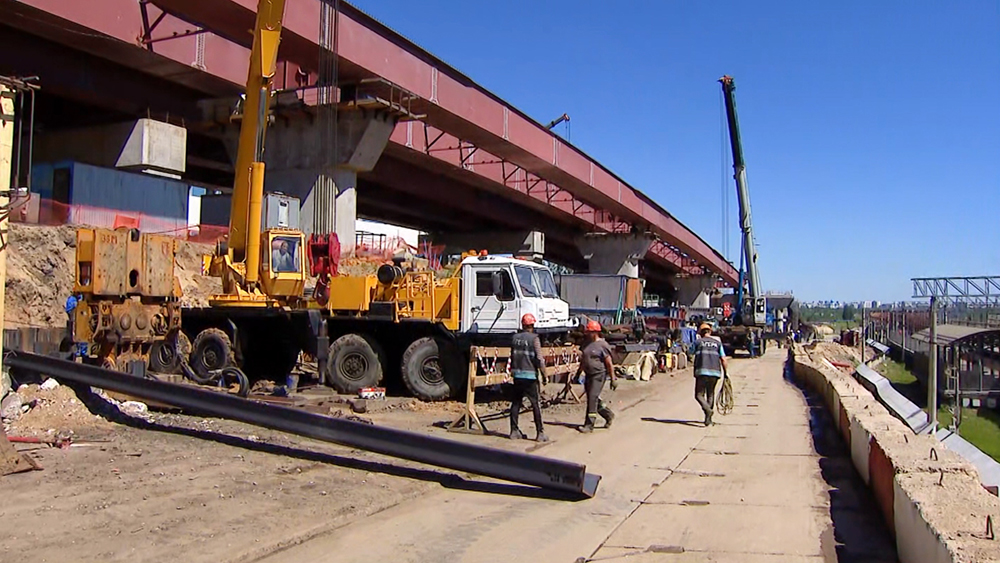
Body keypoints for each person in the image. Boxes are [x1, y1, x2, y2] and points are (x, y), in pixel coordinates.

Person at [508, 313, 548, 442]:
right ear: (532, 325)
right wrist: (544, 374)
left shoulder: (514, 338)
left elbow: (512, 355)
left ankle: (514, 431)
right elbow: (539, 358)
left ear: (522, 325)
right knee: (535, 404)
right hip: (530, 376)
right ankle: (540, 433)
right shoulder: (534, 339)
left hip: (517, 375)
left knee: (516, 403)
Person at [576, 320, 616, 433]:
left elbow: (609, 363)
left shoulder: (603, 345)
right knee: (593, 399)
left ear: (595, 332)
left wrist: (613, 378)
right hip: (588, 375)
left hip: (599, 375)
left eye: (589, 332)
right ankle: (608, 415)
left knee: (592, 397)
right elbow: (584, 360)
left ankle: (589, 425)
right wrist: (578, 373)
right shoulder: (585, 344)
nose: (587, 334)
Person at [692, 322, 728, 426]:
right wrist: (726, 373)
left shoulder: (698, 342)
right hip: (715, 372)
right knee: (710, 393)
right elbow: (724, 359)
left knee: (699, 394)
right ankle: (708, 420)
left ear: (700, 333)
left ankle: (708, 410)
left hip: (701, 371)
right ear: (710, 332)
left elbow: (690, 352)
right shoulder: (717, 343)